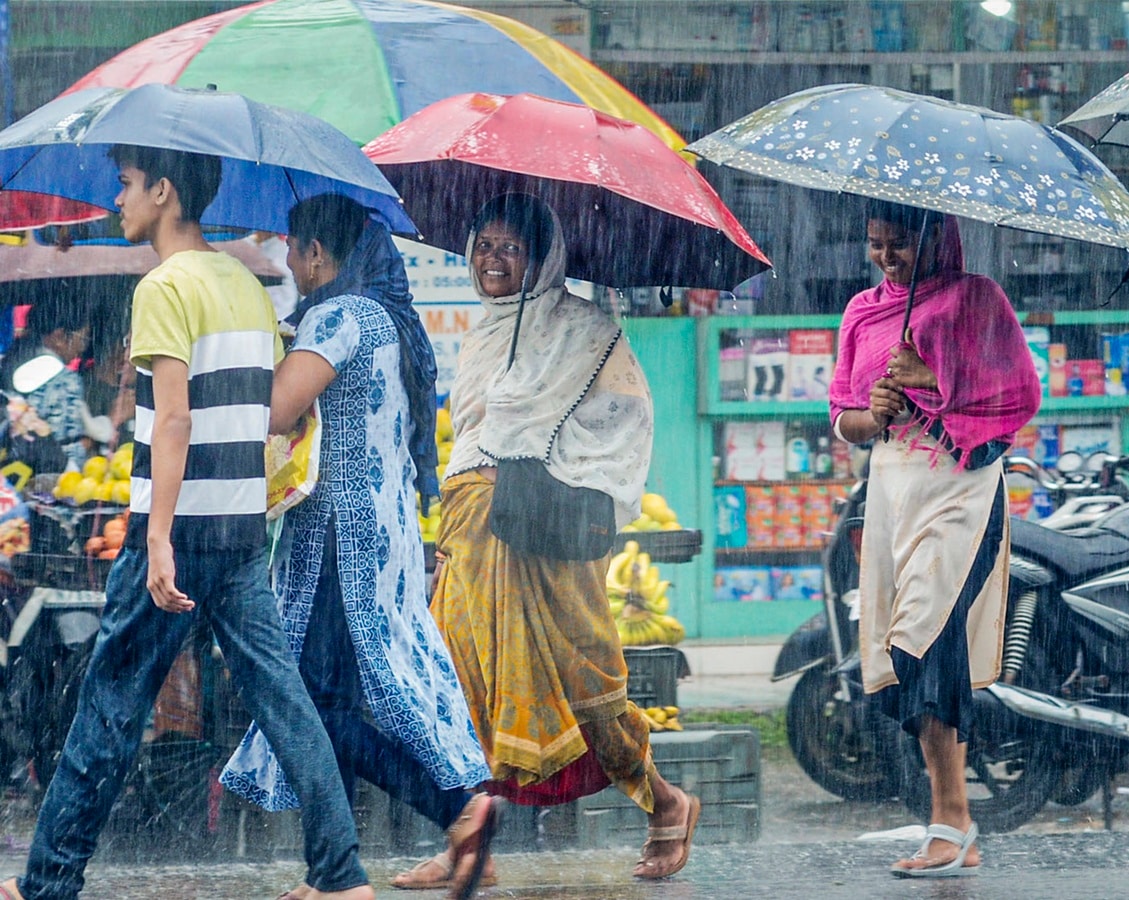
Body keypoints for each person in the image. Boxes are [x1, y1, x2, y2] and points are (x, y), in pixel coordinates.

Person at [0, 148, 374, 900]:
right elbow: (272, 411)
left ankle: (49, 882)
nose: (118, 196)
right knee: (284, 704)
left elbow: (172, 419)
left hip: (170, 535)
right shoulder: (243, 282)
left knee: (108, 709)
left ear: (164, 191)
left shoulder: (164, 285)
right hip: (237, 536)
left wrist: (160, 537)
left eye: (129, 183)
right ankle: (341, 875)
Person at [217, 195, 494, 900]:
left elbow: (277, 408)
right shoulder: (381, 316)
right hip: (374, 531)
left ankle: (456, 812)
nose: (286, 262)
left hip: (345, 542)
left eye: (290, 249)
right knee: (326, 699)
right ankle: (336, 870)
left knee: (311, 708)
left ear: (315, 252)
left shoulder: (341, 317)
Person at [429, 193, 700, 881]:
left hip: (544, 528)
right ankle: (467, 842)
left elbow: (626, 420)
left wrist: (532, 437)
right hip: (472, 526)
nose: (492, 260)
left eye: (509, 249)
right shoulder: (483, 333)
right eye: (483, 245)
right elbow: (468, 441)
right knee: (460, 678)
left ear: (542, 258)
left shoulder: (586, 329)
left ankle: (666, 803)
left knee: (585, 682)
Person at [829, 201, 1040, 877]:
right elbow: (842, 414)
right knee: (902, 649)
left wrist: (932, 379)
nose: (887, 259)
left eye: (900, 245)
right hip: (893, 490)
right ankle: (952, 826)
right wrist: (873, 412)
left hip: (961, 488)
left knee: (929, 633)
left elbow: (1019, 393)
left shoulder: (978, 300)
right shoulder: (862, 311)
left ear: (936, 241)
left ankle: (953, 819)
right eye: (875, 245)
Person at [0, 300, 108, 468]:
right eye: (83, 337)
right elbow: (68, 451)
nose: (82, 347)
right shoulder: (64, 381)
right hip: (42, 481)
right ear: (59, 337)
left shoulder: (11, 362)